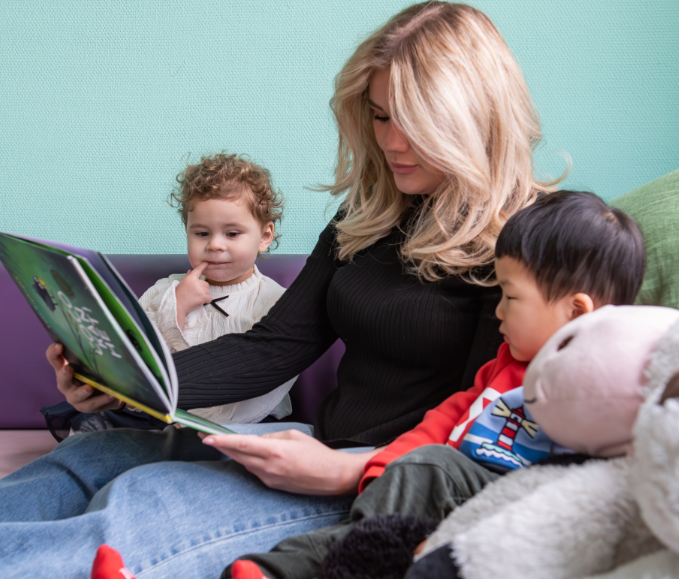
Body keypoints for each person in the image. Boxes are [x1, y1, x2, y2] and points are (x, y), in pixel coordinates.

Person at [0, 4, 560, 578]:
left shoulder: (529, 245)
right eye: (379, 116)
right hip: (316, 444)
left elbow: (484, 431)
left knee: (136, 507)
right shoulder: (370, 213)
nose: (392, 141)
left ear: (474, 118)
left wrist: (349, 470)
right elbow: (274, 345)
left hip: (380, 483)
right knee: (87, 457)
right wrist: (129, 381)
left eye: (414, 121)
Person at [220, 190, 646, 579]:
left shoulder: (615, 380)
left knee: (429, 471)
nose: (498, 313)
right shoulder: (505, 362)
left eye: (511, 298)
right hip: (452, 486)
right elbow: (448, 419)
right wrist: (387, 464)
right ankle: (276, 569)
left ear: (576, 311)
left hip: (525, 498)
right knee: (409, 479)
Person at [63, 152, 297, 434]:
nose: (215, 245)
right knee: (85, 420)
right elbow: (134, 355)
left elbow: (270, 377)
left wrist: (206, 426)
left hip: (245, 421)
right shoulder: (164, 291)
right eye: (201, 233)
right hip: (163, 415)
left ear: (264, 236)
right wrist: (175, 308)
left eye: (232, 234)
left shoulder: (278, 303)